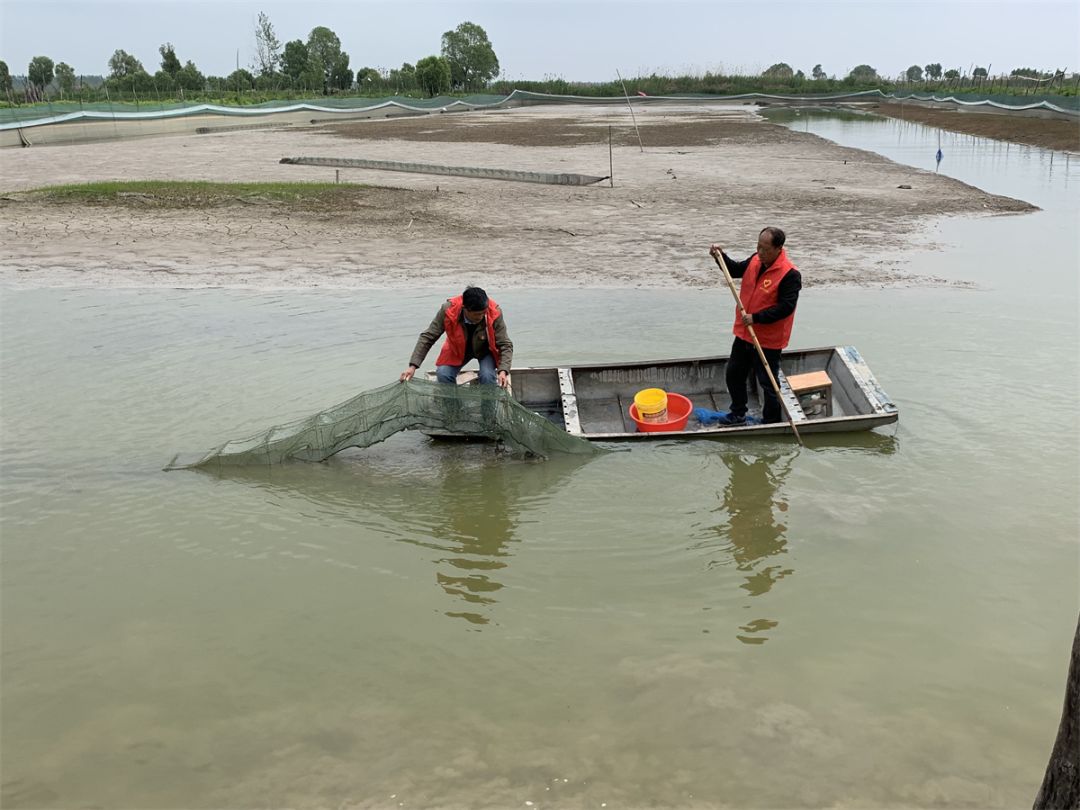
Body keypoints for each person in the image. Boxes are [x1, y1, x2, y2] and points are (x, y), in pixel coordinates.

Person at [709, 227, 802, 425]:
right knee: (734, 374)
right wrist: (720, 256)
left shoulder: (790, 274)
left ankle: (771, 420)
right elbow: (734, 270)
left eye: (765, 249)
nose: (760, 252)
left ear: (778, 249)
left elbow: (786, 307)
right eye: (758, 246)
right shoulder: (755, 259)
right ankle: (738, 413)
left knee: (767, 381)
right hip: (745, 333)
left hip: (768, 339)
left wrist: (756, 318)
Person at [400, 286, 513, 388]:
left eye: (483, 313)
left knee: (488, 377)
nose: (481, 317)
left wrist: (503, 370)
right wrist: (413, 366)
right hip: (457, 348)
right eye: (476, 314)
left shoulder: (494, 311)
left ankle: (489, 411)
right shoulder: (448, 310)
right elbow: (428, 337)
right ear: (464, 308)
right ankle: (453, 409)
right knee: (443, 374)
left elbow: (505, 344)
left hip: (486, 350)